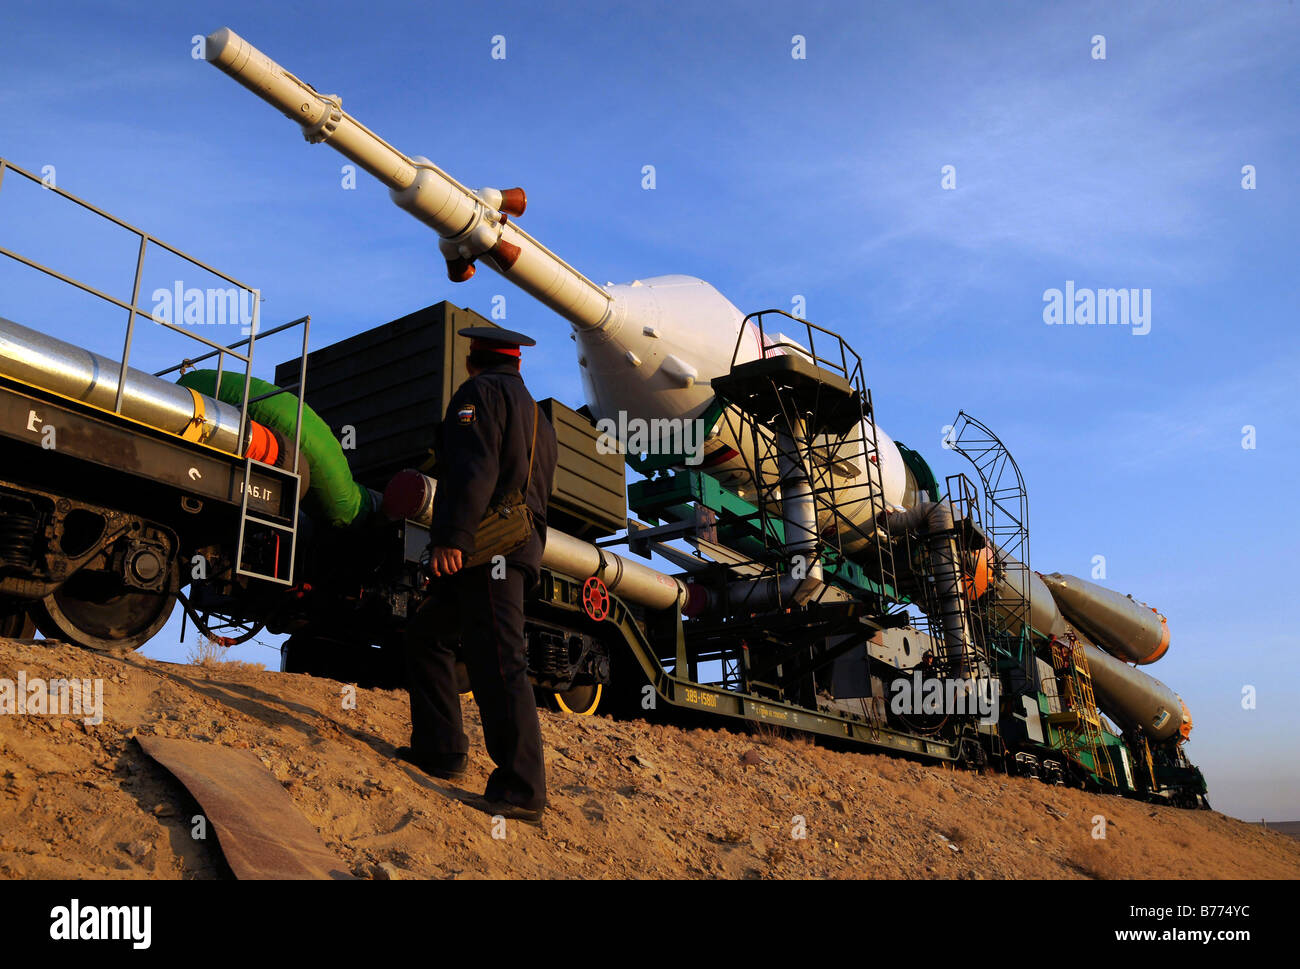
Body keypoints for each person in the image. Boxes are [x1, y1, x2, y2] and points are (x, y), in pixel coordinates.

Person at [400, 326, 558, 826]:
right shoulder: (540, 417)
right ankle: (440, 749)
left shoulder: (479, 394)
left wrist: (454, 538)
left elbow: (475, 468)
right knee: (429, 633)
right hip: (520, 546)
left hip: (490, 550)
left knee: (499, 658)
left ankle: (521, 789)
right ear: (516, 361)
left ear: (473, 359)